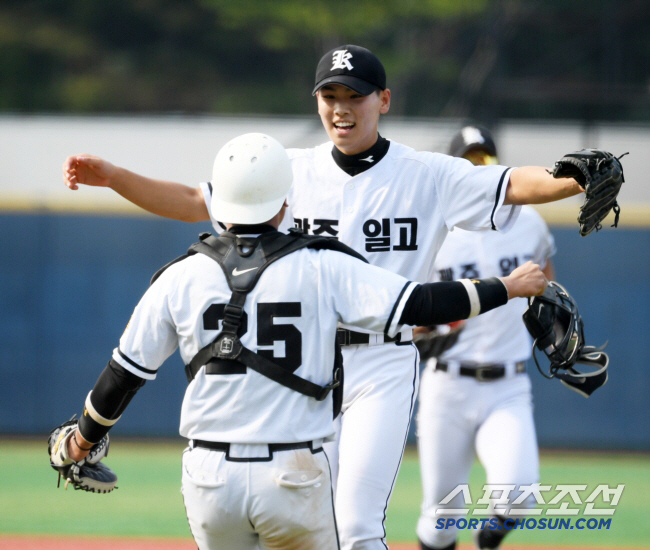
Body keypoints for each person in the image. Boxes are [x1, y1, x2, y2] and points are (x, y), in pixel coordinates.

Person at [62, 45, 584, 550]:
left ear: (383, 100)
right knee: (299, 521)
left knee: (354, 527)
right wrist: (114, 178)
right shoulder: (288, 170)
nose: (340, 108)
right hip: (306, 362)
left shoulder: (426, 173)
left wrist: (577, 176)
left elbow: (515, 184)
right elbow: (195, 200)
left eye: (354, 95)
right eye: (329, 95)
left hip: (381, 360)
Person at [415, 126, 556, 550]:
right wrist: (422, 330)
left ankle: (485, 543)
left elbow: (547, 280)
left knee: (518, 495)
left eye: (485, 160)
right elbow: (410, 308)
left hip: (507, 385)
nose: (478, 168)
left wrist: (553, 321)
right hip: (447, 386)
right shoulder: (431, 230)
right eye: (469, 161)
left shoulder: (527, 221)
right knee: (441, 519)